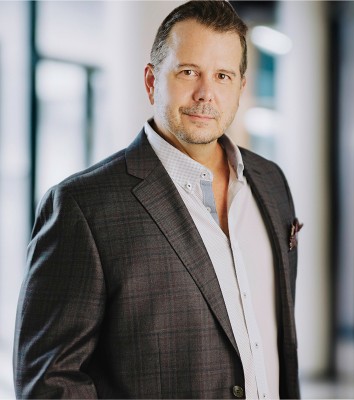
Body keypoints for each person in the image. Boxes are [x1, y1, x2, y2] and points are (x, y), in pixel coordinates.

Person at [14, 1, 301, 398]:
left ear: (240, 87)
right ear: (151, 81)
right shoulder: (83, 207)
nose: (206, 93)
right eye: (188, 72)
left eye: (222, 75)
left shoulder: (270, 182)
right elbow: (50, 381)